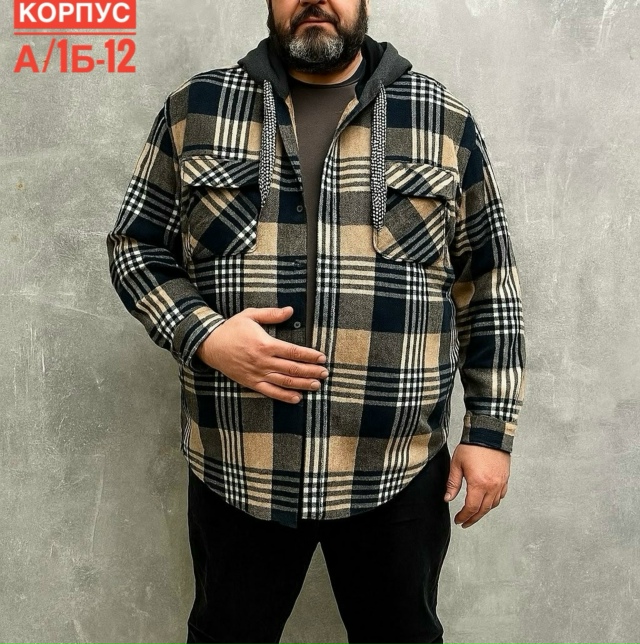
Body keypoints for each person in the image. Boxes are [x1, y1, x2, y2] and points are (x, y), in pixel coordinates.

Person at [106, 0, 527, 642]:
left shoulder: (442, 118)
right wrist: (205, 334)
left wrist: (490, 432)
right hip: (240, 462)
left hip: (394, 465)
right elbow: (135, 245)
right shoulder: (196, 109)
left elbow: (488, 282)